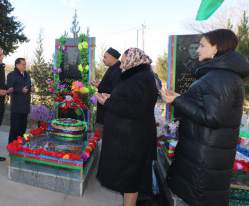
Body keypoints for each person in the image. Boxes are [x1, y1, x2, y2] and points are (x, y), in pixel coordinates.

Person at [162, 29, 249, 206]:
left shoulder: (221, 76)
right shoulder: (219, 73)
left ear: (216, 49)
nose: (198, 50)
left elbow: (212, 118)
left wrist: (178, 101)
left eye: (202, 46)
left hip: (205, 157)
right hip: (203, 151)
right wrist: (180, 98)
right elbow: (207, 107)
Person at [95, 48, 158, 206]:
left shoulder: (142, 78)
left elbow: (138, 110)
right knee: (130, 180)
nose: (121, 66)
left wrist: (107, 102)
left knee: (131, 179)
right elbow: (130, 100)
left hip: (133, 139)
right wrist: (112, 97)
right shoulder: (136, 76)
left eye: (123, 62)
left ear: (134, 61)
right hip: (128, 137)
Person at [6, 58, 35, 143]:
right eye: (23, 64)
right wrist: (20, 90)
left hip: (25, 106)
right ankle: (11, 146)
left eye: (25, 64)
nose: (25, 66)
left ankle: (19, 144)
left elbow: (27, 87)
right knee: (15, 128)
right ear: (17, 65)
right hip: (17, 106)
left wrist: (31, 89)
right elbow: (9, 88)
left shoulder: (27, 75)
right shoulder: (12, 75)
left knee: (23, 128)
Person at [92, 47, 122, 125]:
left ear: (112, 58)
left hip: (109, 112)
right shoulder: (112, 67)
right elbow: (110, 83)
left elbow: (115, 90)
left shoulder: (118, 70)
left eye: (105, 57)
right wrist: (101, 84)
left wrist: (99, 86)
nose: (103, 59)